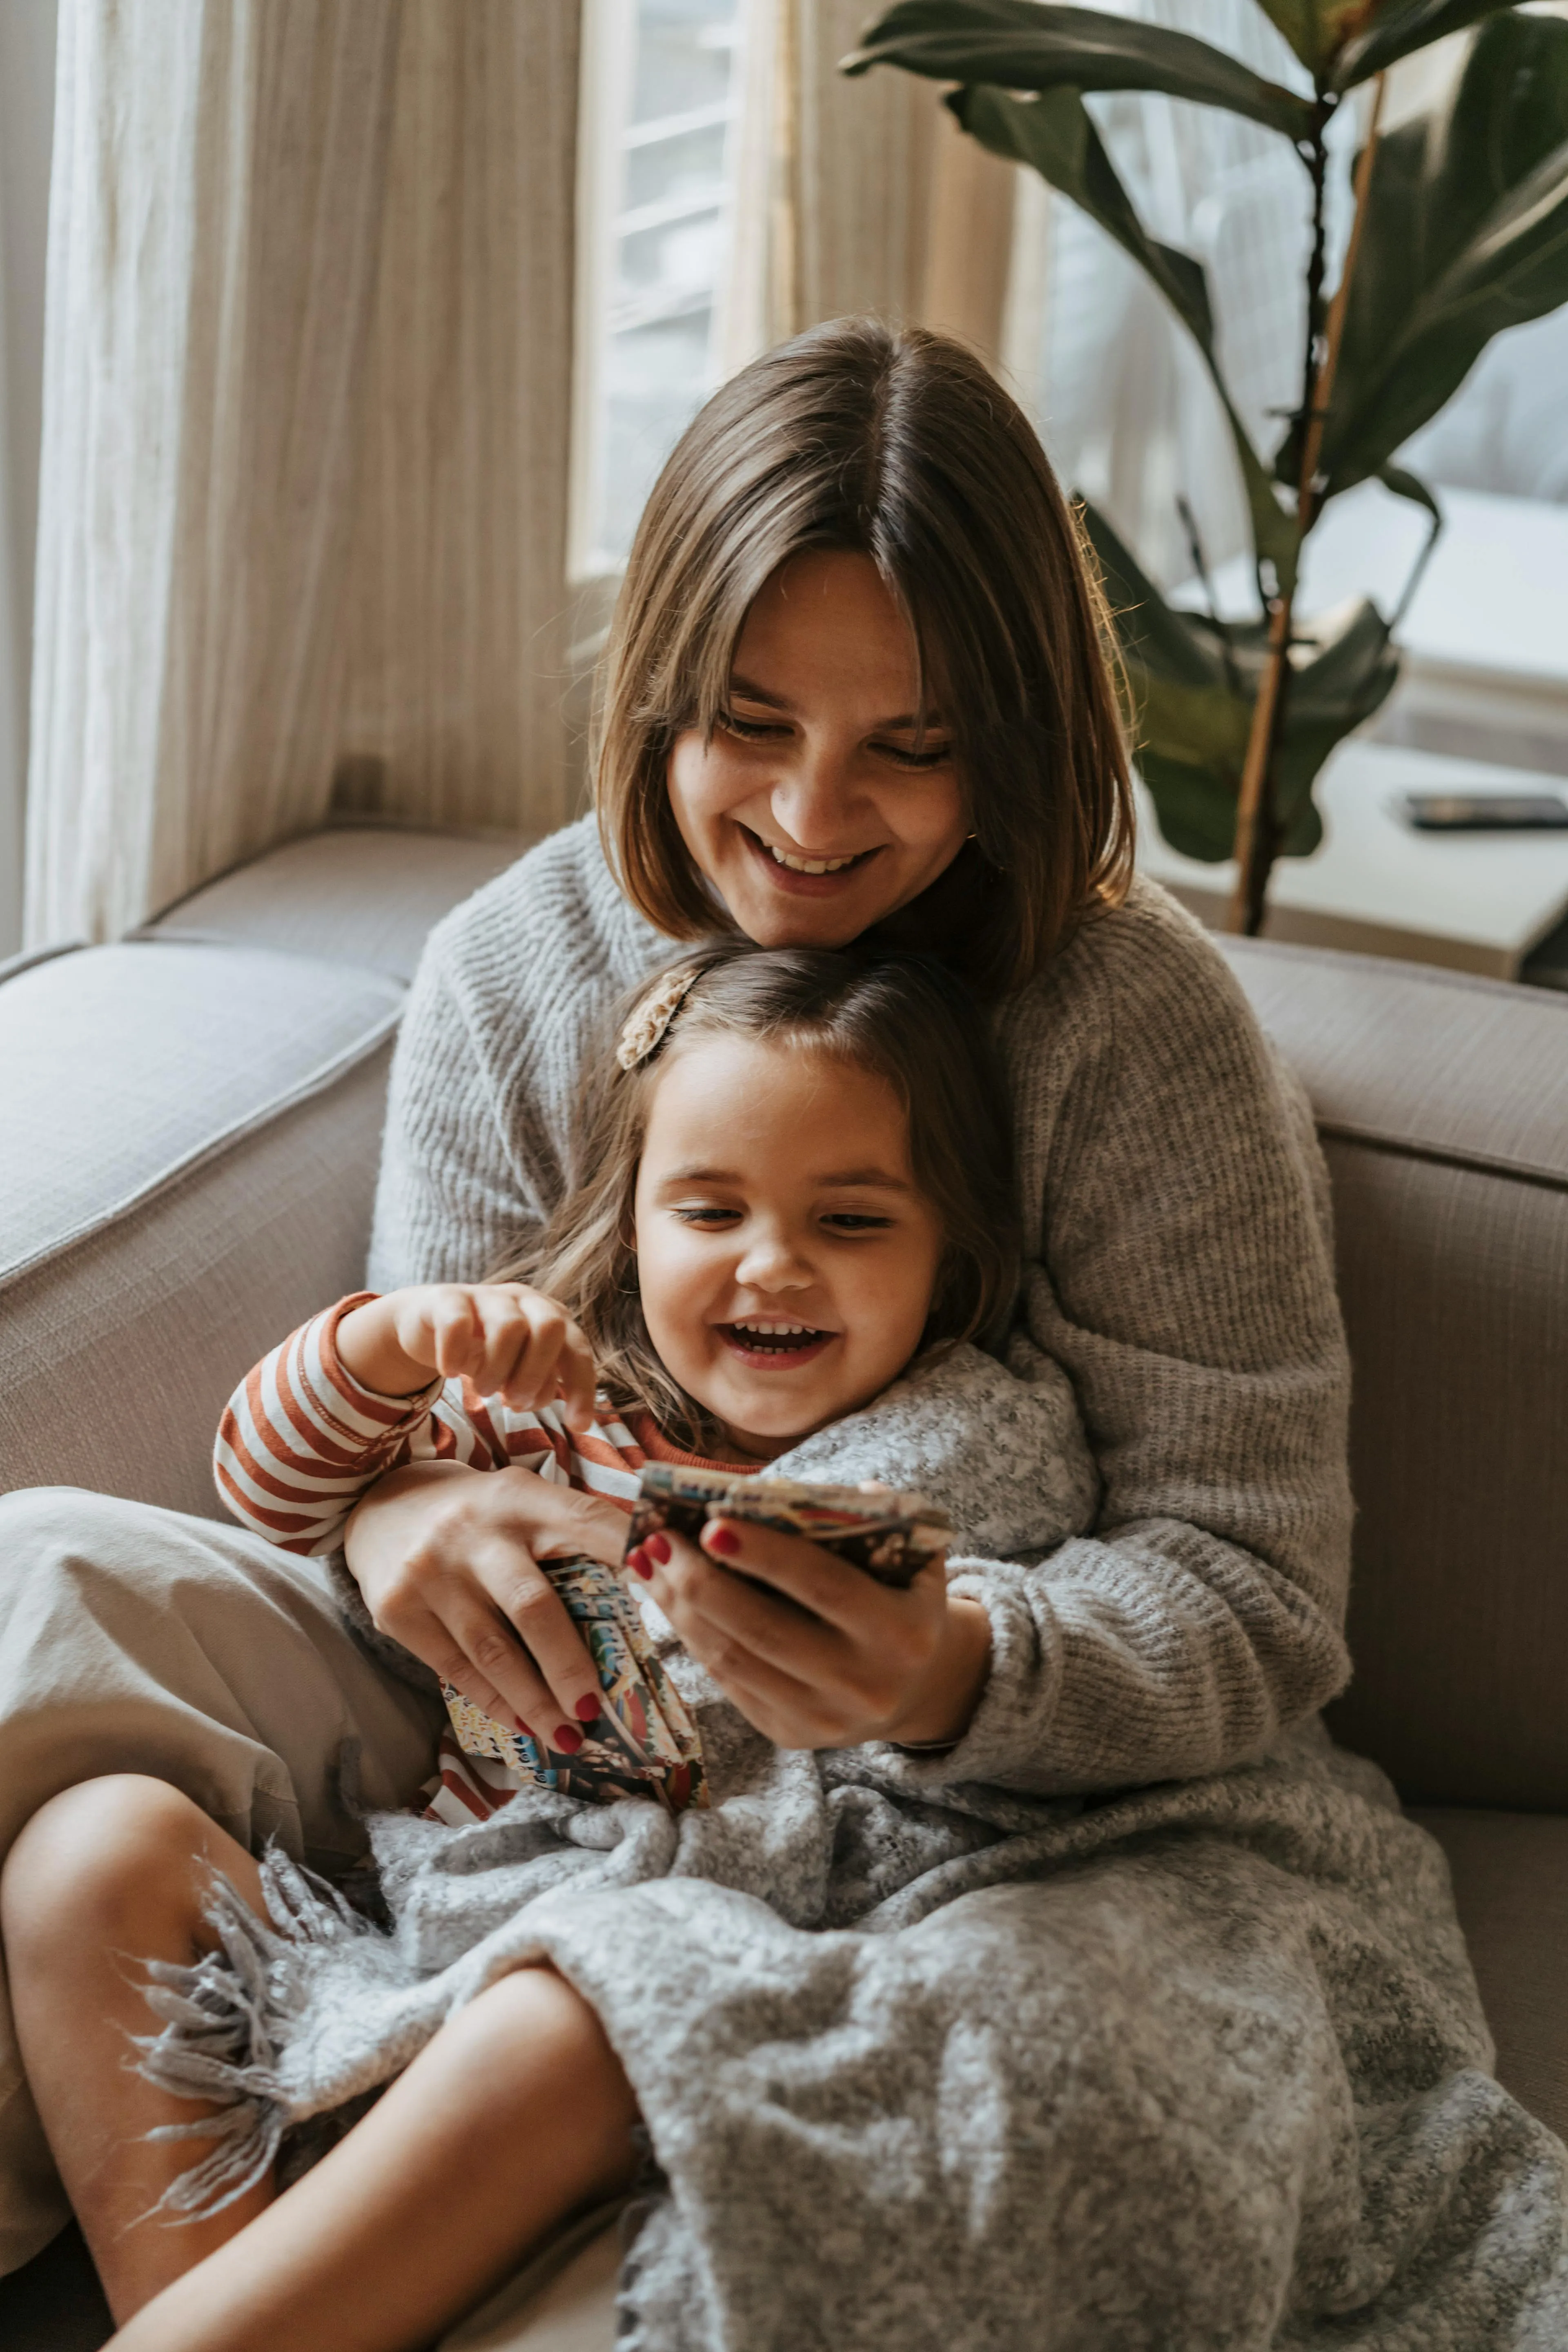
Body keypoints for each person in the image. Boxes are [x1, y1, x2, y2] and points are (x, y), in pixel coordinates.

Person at [0, 319, 1558, 2348]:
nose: (817, 820)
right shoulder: (519, 965)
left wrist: (952, 1665)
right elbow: (395, 1386)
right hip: (528, 1726)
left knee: (1056, 2067)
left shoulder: (1135, 1030)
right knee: (41, 1586)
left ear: (1015, 739)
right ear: (654, 691)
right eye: (750, 723)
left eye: (912, 747)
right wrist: (400, 1520)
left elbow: (1256, 1597)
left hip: (1016, 1818)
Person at [7, 942, 1102, 2348]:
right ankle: (207, 2297)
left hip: (645, 1956)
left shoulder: (967, 1445)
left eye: (851, 1222)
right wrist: (389, 1350)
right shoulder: (551, 1408)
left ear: (951, 1255)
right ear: (631, 1226)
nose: (775, 1263)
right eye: (711, 1208)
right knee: (92, 1849)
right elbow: (270, 1491)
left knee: (553, 2024)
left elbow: (951, 1724)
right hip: (395, 1911)